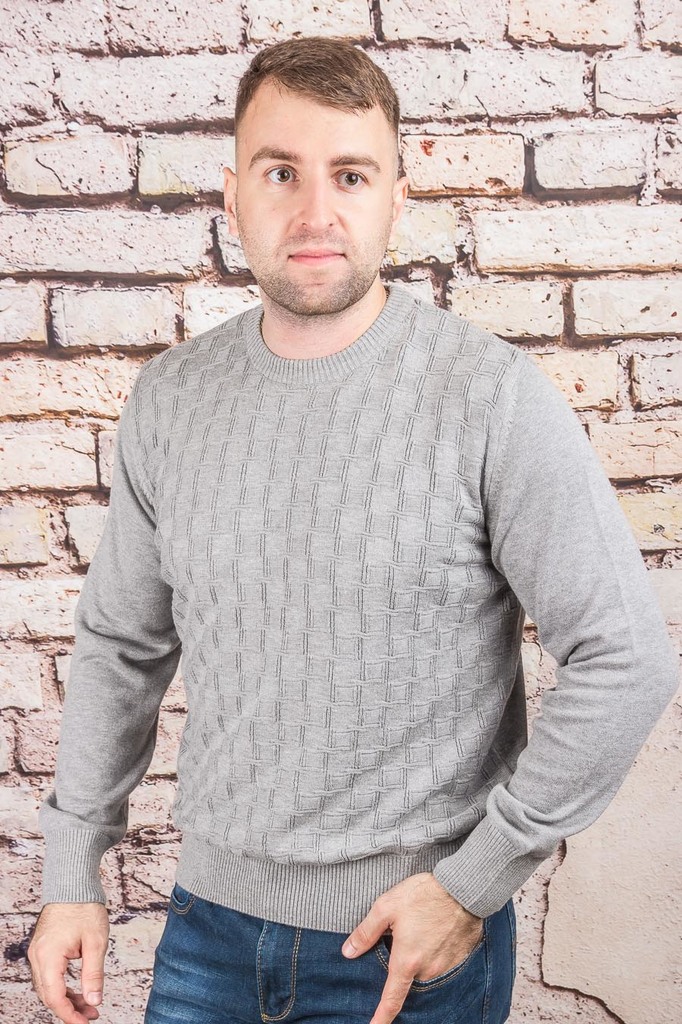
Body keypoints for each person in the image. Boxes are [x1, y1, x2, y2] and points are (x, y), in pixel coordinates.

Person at [28, 34, 678, 1024]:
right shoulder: (171, 398)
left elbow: (625, 657)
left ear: (396, 198)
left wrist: (473, 884)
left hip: (414, 955)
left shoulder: (491, 397)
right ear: (233, 194)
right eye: (280, 172)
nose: (315, 212)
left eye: (351, 175)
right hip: (203, 937)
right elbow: (122, 643)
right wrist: (73, 870)